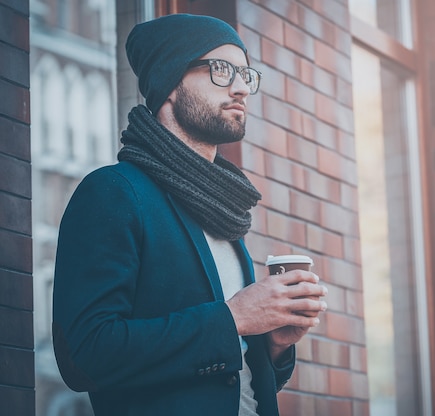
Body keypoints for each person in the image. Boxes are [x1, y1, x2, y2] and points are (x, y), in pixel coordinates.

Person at [52, 14, 327, 416]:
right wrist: (233, 318)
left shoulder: (221, 207)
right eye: (221, 70)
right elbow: (87, 355)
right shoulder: (115, 193)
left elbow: (231, 380)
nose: (239, 87)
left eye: (245, 74)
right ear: (169, 84)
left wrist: (275, 345)